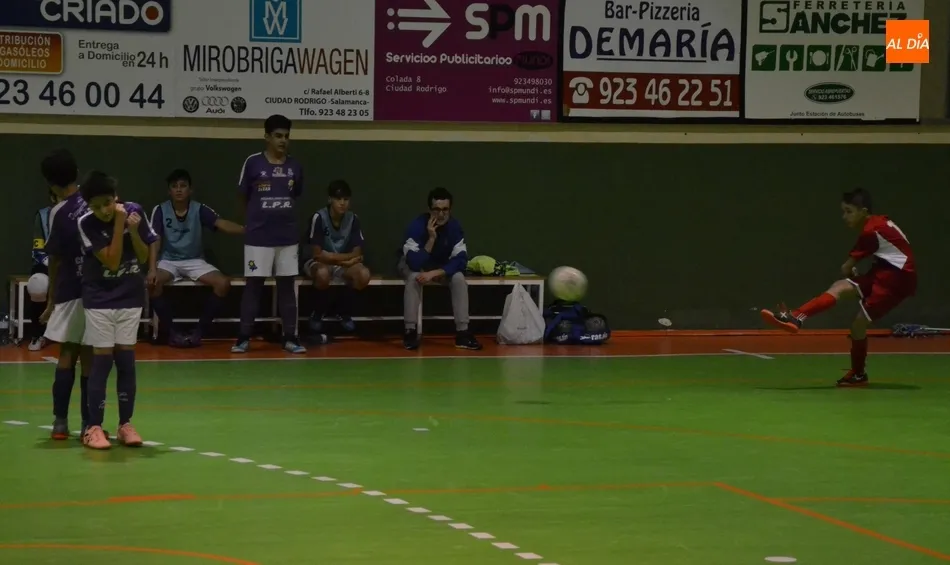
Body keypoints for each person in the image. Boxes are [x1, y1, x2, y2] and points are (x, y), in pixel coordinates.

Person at [760, 188, 916, 387]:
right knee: (840, 287)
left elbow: (846, 267)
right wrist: (854, 276)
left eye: (849, 211)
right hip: (885, 271)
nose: (844, 217)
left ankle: (858, 374)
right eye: (843, 211)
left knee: (858, 325)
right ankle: (796, 317)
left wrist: (852, 273)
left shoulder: (870, 231)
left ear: (864, 211)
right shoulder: (878, 223)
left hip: (896, 280)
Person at [77, 171, 158, 449]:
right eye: (96, 206)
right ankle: (94, 427)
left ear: (116, 198)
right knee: (101, 361)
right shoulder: (86, 223)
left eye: (108, 203)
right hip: (100, 299)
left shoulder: (136, 212)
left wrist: (133, 230)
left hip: (130, 296)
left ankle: (125, 424)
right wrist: (121, 222)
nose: (104, 210)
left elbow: (144, 255)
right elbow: (111, 262)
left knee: (126, 360)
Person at [232, 114, 306, 354]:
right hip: (258, 238)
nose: (283, 141)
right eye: (278, 136)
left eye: (286, 136)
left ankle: (291, 338)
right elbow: (242, 196)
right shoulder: (253, 163)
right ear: (267, 137)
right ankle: (243, 338)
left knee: (287, 288)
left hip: (287, 238)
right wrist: (252, 223)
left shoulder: (295, 166)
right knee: (253, 286)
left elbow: (295, 195)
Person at [148, 169, 244, 347]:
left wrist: (247, 230)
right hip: (169, 261)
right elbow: (155, 241)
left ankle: (198, 332)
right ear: (169, 191)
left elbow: (221, 223)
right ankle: (173, 333)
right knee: (153, 284)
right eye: (174, 186)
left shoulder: (199, 209)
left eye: (183, 186)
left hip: (194, 260)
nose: (179, 190)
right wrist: (152, 269)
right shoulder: (160, 210)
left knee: (223, 283)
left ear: (190, 190)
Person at [39, 150, 94, 440]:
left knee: (67, 353)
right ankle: (88, 425)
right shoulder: (98, 200)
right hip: (97, 290)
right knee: (89, 356)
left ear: (51, 183)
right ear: (76, 172)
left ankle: (60, 423)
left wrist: (51, 301)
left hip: (71, 290)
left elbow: (55, 259)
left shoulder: (58, 212)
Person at [399, 187, 482, 351]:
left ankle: (463, 333)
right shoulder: (416, 226)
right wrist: (431, 239)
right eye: (436, 210)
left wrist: (436, 272)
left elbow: (461, 260)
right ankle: (410, 331)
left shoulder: (455, 227)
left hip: (438, 268)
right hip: (414, 266)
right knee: (414, 277)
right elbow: (414, 262)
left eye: (445, 210)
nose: (441, 214)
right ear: (429, 210)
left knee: (458, 278)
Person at [305, 179, 370, 334]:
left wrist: (340, 259)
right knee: (322, 274)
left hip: (341, 264)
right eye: (338, 199)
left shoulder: (353, 219)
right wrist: (346, 260)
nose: (342, 203)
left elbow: (357, 252)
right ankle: (318, 312)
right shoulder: (319, 217)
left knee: (363, 275)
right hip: (316, 262)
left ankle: (343, 311)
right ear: (330, 199)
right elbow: (318, 254)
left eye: (346, 199)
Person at [25, 190, 59, 351]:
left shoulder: (80, 212)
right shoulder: (43, 216)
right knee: (37, 283)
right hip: (48, 264)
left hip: (76, 265)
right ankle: (38, 334)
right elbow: (38, 250)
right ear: (52, 197)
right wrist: (53, 265)